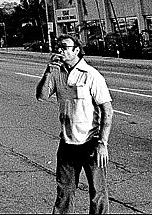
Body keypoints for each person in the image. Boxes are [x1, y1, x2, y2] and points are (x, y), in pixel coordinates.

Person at [36, 35, 114, 214]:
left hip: (91, 143)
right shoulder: (57, 73)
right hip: (67, 143)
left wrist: (103, 143)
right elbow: (41, 96)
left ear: (76, 50)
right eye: (58, 47)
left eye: (64, 47)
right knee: (64, 192)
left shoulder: (91, 75)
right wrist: (47, 72)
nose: (60, 50)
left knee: (98, 193)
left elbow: (107, 111)